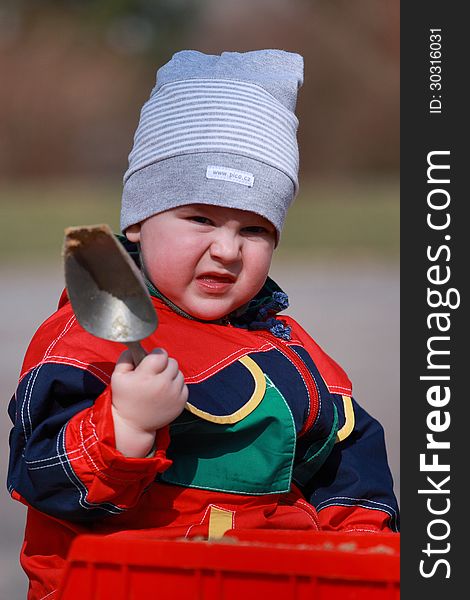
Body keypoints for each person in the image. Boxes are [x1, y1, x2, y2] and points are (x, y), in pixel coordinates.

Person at [7, 49, 399, 599]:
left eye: (255, 230)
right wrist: (127, 426)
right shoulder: (87, 341)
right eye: (200, 219)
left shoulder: (291, 354)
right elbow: (43, 478)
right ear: (140, 221)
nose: (227, 249)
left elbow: (348, 466)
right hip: (122, 585)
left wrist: (361, 552)